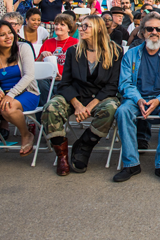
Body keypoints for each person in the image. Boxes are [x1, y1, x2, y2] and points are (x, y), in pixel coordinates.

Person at [43, 15, 121, 175]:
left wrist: (90, 106)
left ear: (98, 29)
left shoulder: (114, 51)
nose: (81, 28)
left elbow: (112, 85)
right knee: (51, 108)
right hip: (75, 96)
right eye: (80, 25)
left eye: (86, 26)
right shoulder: (73, 51)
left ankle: (84, 145)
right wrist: (78, 106)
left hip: (100, 97)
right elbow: (65, 83)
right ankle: (62, 156)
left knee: (112, 108)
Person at [114, 12, 160, 183]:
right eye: (149, 29)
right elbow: (124, 83)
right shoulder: (131, 55)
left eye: (158, 29)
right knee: (122, 111)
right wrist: (138, 99)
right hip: (136, 98)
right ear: (142, 32)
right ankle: (131, 163)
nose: (154, 32)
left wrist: (159, 100)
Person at [0, 21, 40, 157]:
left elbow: (29, 76)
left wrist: (10, 95)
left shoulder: (23, 48)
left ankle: (26, 134)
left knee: (8, 107)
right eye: (2, 35)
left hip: (26, 92)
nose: (8, 37)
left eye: (10, 33)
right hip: (3, 93)